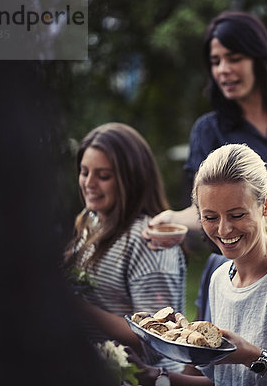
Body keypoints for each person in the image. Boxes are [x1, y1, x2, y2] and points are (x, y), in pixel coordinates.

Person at [148, 10, 267, 318]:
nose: (224, 70)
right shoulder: (209, 129)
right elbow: (203, 208)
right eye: (215, 62)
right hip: (245, 272)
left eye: (234, 58)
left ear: (259, 58)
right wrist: (174, 219)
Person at [136, 144, 267, 386]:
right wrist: (155, 377)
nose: (224, 229)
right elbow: (226, 381)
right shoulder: (219, 279)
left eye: (237, 215)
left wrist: (253, 357)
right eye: (210, 217)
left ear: (265, 204)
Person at [63, 122, 186, 373]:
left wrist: (77, 306)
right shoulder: (91, 220)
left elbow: (156, 342)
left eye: (103, 175)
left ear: (131, 179)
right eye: (84, 172)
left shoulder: (150, 243)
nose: (89, 183)